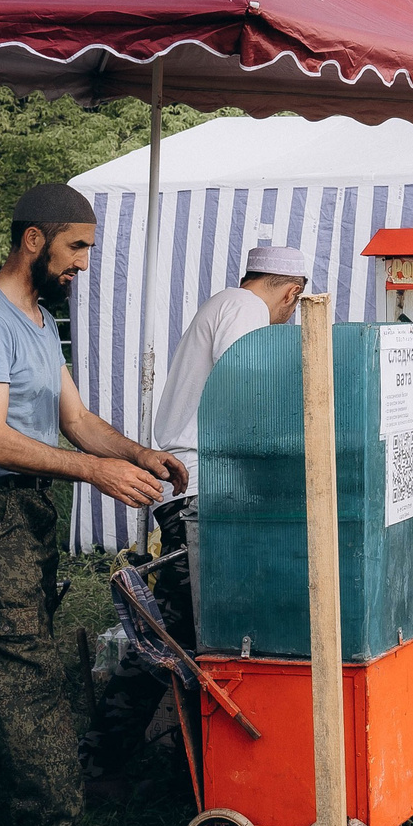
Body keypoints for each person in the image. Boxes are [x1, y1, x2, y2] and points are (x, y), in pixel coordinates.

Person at [0, 183, 187, 826]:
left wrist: (137, 453)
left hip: (26, 507)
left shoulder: (40, 321)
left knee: (10, 654)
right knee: (32, 671)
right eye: (76, 247)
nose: (83, 264)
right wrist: (94, 474)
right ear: (34, 240)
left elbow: (75, 420)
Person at [88, 245, 312, 786]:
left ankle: (164, 753)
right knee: (173, 632)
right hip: (198, 490)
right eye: (296, 307)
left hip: (194, 484)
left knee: (184, 628)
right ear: (292, 292)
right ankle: (102, 759)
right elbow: (248, 399)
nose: (292, 317)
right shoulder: (246, 309)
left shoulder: (227, 304)